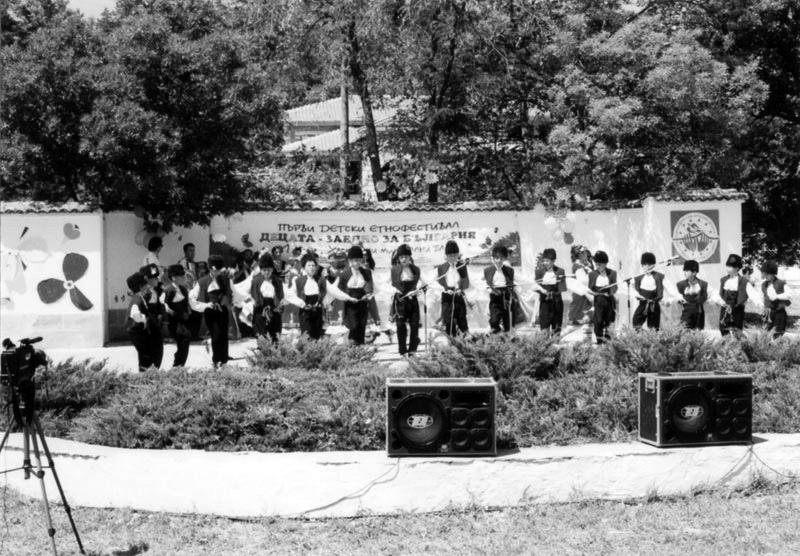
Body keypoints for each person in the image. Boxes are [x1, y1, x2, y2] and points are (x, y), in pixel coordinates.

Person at [285, 253, 352, 339]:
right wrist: (301, 303)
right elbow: (289, 295)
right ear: (304, 267)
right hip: (305, 313)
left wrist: (348, 297)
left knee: (316, 336)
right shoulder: (298, 280)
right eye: (309, 265)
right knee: (306, 336)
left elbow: (334, 291)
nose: (312, 267)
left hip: (317, 312)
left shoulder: (321, 280)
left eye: (314, 265)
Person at [189, 255, 231, 367]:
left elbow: (232, 293)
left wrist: (229, 300)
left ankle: (224, 360)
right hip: (210, 312)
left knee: (223, 335)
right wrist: (205, 305)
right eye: (217, 270)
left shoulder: (225, 279)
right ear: (212, 268)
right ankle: (216, 360)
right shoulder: (202, 281)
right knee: (216, 335)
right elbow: (192, 299)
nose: (219, 272)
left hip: (223, 311)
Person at [334, 245, 374, 344]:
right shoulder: (344, 274)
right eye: (355, 260)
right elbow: (340, 289)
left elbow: (369, 285)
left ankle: (360, 349)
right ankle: (352, 349)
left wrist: (367, 294)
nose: (357, 262)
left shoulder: (366, 272)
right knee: (353, 326)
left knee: (361, 326)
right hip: (350, 302)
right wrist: (348, 297)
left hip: (363, 301)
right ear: (350, 261)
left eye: (359, 260)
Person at [390, 244, 421, 355]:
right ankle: (402, 351)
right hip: (400, 301)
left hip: (413, 300)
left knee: (414, 325)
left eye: (406, 257)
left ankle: (412, 350)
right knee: (400, 326)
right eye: (401, 257)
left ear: (409, 258)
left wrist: (418, 290)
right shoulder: (393, 270)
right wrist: (393, 290)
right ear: (398, 258)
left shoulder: (416, 269)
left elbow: (423, 283)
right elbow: (385, 284)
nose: (404, 259)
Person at [436, 240, 470, 336]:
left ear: (458, 255)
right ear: (446, 256)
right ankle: (452, 341)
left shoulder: (462, 266)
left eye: (455, 255)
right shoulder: (441, 267)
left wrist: (461, 289)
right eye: (450, 256)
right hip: (447, 296)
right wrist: (445, 289)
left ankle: (464, 340)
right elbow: (438, 282)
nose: (452, 258)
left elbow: (466, 280)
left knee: (461, 318)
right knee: (448, 320)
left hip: (458, 295)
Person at [125, 271, 157, 372]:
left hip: (138, 330)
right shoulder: (137, 299)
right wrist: (144, 319)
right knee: (145, 356)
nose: (147, 286)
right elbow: (135, 314)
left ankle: (144, 373)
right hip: (136, 331)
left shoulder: (140, 297)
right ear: (140, 287)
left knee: (146, 355)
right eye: (145, 285)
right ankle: (144, 375)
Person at [251, 252, 284, 343]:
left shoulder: (277, 281)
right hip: (260, 309)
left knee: (275, 335)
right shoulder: (255, 281)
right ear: (260, 270)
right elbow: (252, 294)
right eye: (264, 270)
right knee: (262, 335)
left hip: (274, 308)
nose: (266, 272)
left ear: (272, 269)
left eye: (269, 270)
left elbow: (280, 296)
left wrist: (279, 307)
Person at [532, 248, 567, 334]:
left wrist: (552, 292)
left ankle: (555, 344)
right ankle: (546, 345)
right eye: (544, 261)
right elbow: (536, 286)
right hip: (544, 303)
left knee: (556, 328)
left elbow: (562, 288)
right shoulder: (539, 271)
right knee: (544, 327)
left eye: (547, 261)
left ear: (553, 260)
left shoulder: (560, 271)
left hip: (557, 302)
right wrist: (542, 290)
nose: (545, 263)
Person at [164, 264, 192, 367]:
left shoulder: (184, 289)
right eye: (181, 276)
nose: (184, 278)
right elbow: (164, 303)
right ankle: (177, 365)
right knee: (183, 340)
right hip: (175, 322)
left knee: (185, 341)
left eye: (184, 276)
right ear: (174, 277)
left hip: (184, 320)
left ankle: (179, 364)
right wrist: (170, 311)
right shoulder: (169, 290)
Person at [484, 244, 515, 333]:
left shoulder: (509, 270)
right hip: (494, 297)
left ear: (504, 258)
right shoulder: (487, 270)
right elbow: (483, 283)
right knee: (494, 320)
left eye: (501, 258)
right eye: (497, 258)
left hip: (506, 297)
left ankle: (507, 337)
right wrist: (490, 290)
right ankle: (495, 332)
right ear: (493, 258)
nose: (499, 261)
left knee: (507, 321)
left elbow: (514, 282)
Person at [139, 263, 164, 369]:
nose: (157, 280)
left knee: (157, 354)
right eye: (153, 277)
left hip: (155, 327)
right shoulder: (145, 292)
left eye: (156, 277)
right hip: (148, 328)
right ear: (146, 279)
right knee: (148, 357)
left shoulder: (154, 290)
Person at [588, 250, 616, 343]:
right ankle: (599, 340)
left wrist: (610, 292)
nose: (598, 266)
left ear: (605, 263)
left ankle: (608, 341)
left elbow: (615, 287)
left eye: (600, 264)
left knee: (609, 320)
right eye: (596, 264)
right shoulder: (592, 274)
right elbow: (590, 288)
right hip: (598, 300)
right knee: (598, 321)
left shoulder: (612, 273)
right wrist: (593, 293)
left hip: (609, 300)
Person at [717, 254, 749, 336]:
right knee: (723, 329)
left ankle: (739, 347)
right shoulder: (723, 280)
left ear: (737, 268)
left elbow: (742, 295)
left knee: (737, 331)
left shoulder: (742, 281)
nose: (728, 268)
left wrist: (735, 306)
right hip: (725, 308)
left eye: (731, 266)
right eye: (727, 266)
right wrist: (721, 303)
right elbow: (721, 293)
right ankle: (727, 346)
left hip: (736, 309)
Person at [632, 252, 664, 330]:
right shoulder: (638, 277)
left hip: (654, 304)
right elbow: (633, 289)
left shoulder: (659, 276)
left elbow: (667, 289)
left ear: (653, 265)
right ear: (642, 265)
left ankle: (652, 341)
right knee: (636, 322)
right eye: (645, 265)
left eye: (650, 265)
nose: (647, 267)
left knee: (653, 327)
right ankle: (643, 338)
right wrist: (637, 295)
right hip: (643, 304)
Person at [760, 260, 791, 338]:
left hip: (779, 313)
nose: (765, 276)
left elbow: (789, 295)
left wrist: (777, 296)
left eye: (767, 274)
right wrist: (762, 306)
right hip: (768, 314)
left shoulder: (781, 283)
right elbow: (762, 296)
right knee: (765, 335)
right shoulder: (764, 284)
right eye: (764, 274)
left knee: (777, 335)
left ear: (773, 273)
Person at [676, 259, 707, 330]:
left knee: (697, 332)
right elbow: (677, 295)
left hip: (698, 312)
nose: (685, 272)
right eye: (684, 271)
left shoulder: (703, 284)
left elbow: (707, 296)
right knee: (684, 330)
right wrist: (679, 300)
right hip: (686, 312)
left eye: (687, 271)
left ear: (694, 272)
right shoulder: (680, 284)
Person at [568, 246, 593, 325]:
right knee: (579, 322)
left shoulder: (584, 265)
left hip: (586, 295)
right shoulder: (577, 266)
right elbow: (583, 281)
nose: (586, 254)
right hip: (581, 296)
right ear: (580, 254)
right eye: (585, 252)